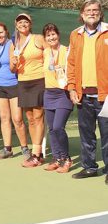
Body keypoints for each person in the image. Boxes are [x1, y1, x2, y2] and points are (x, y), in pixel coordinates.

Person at [67, 0, 108, 182]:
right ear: (82, 14)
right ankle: (89, 167)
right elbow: (71, 64)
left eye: (95, 10)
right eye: (88, 10)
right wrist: (71, 88)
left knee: (107, 135)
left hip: (105, 96)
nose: (92, 13)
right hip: (83, 95)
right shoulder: (75, 35)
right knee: (86, 134)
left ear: (100, 13)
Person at [0, 22, 29, 160]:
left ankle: (25, 148)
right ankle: (7, 149)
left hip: (14, 85)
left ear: (6, 32)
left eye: (1, 32)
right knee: (4, 118)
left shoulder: (14, 44)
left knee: (18, 119)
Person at [9, 13, 47, 167]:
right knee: (30, 118)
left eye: (25, 22)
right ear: (16, 25)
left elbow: (51, 55)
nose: (22, 24)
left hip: (39, 80)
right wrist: (13, 63)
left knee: (38, 117)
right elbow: (12, 69)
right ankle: (37, 152)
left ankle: (37, 154)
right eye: (20, 22)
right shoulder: (13, 44)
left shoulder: (38, 38)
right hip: (23, 83)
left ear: (30, 24)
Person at [41, 23, 73, 173]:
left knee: (59, 127)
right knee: (52, 129)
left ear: (58, 35)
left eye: (53, 34)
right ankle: (57, 158)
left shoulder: (66, 51)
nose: (51, 37)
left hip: (64, 94)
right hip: (49, 94)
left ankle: (66, 159)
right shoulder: (45, 52)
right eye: (48, 35)